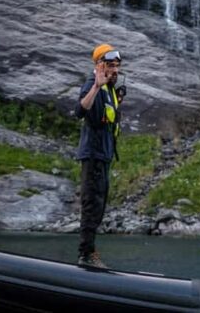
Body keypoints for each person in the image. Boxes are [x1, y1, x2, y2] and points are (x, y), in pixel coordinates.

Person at [75, 43, 122, 268]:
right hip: (93, 154)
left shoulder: (112, 90)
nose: (115, 70)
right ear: (99, 65)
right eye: (110, 65)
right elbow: (80, 110)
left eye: (117, 66)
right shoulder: (92, 84)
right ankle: (85, 254)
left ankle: (90, 251)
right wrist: (96, 87)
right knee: (91, 203)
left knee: (99, 204)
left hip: (104, 156)